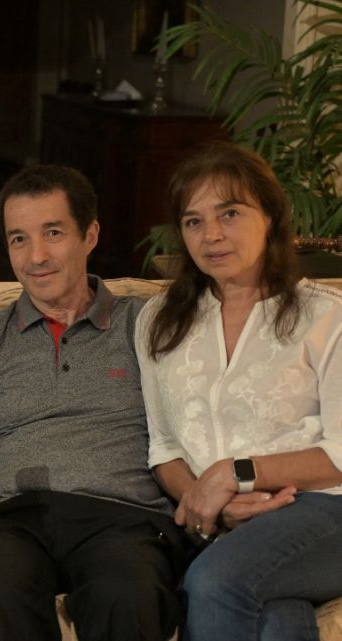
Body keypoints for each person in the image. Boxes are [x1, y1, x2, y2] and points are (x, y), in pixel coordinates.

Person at [0, 165, 188, 641]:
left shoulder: (145, 323)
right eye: (19, 239)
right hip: (9, 519)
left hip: (122, 517)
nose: (36, 257)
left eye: (53, 233)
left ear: (90, 235)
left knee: (128, 591)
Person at [135, 142, 342, 641]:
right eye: (193, 221)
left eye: (229, 213)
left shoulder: (327, 315)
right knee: (275, 618)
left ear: (270, 216)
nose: (212, 235)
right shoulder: (158, 323)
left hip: (325, 510)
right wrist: (208, 503)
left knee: (215, 579)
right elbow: (163, 447)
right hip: (220, 523)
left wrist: (235, 475)